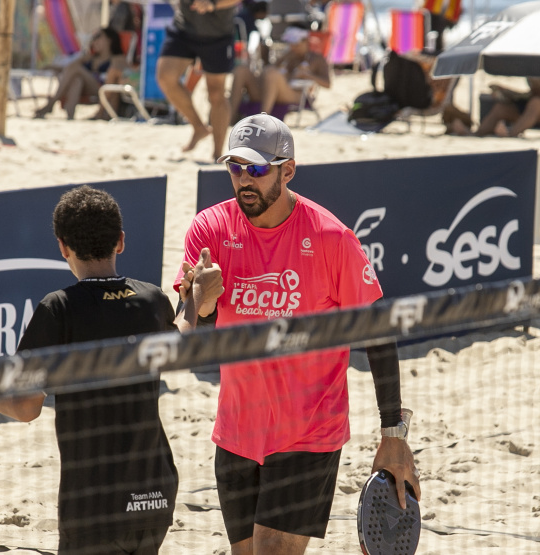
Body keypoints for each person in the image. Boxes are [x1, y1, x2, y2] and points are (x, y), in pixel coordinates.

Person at [174, 113, 421, 554]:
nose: (244, 180)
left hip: (308, 433)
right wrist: (203, 304)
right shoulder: (210, 230)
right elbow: (187, 331)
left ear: (288, 169)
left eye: (257, 169)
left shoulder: (330, 237)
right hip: (237, 431)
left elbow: (378, 332)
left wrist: (393, 434)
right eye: (235, 167)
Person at [0, 185, 223, 554]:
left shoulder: (58, 309)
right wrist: (196, 296)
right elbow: (184, 340)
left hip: (94, 504)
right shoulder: (151, 299)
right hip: (155, 493)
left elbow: (26, 407)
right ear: (120, 242)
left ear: (63, 247)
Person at [156, 0, 243, 160]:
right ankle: (198, 127)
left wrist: (213, 4)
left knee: (216, 94)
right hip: (184, 28)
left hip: (218, 34)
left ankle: (218, 154)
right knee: (165, 77)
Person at [228, 25, 330, 122]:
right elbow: (266, 72)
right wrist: (283, 59)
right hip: (271, 91)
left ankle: (263, 120)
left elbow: (327, 84)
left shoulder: (316, 59)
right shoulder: (288, 55)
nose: (293, 47)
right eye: (291, 43)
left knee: (272, 74)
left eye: (296, 44)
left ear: (306, 41)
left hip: (297, 94)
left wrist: (308, 75)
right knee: (241, 70)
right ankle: (229, 117)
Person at [34, 27, 128, 121]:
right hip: (88, 87)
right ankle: (70, 116)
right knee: (77, 80)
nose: (94, 40)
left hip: (103, 88)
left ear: (109, 39)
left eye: (98, 36)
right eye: (93, 37)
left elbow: (124, 74)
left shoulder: (117, 59)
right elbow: (69, 69)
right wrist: (83, 58)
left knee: (77, 70)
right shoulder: (90, 58)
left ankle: (52, 103)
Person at [449, 78, 540, 137]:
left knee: (536, 103)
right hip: (535, 103)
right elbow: (533, 91)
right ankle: (477, 133)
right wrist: (508, 92)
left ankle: (511, 133)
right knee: (501, 108)